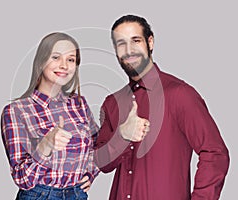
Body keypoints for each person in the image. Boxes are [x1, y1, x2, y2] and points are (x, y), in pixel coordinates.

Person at [94, 14, 230, 199]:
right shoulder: (112, 103)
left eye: (136, 40)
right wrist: (122, 136)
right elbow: (102, 163)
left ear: (150, 42)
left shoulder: (180, 95)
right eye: (121, 43)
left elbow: (215, 153)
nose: (129, 50)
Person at [1, 32, 100, 200]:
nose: (64, 65)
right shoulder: (16, 111)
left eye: (71, 59)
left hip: (77, 194)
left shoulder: (79, 104)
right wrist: (45, 146)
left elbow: (99, 145)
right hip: (38, 195)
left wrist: (90, 173)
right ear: (41, 62)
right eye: (56, 57)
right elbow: (22, 178)